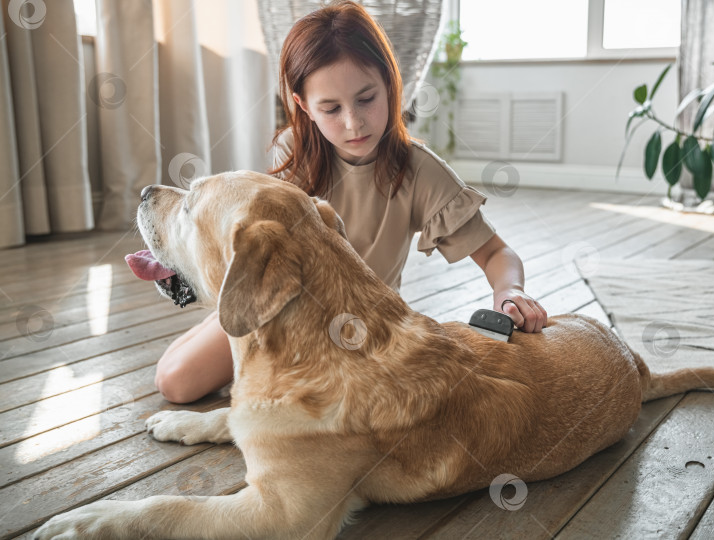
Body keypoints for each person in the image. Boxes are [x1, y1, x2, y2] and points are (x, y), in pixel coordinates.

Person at [154, 0, 547, 404]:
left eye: (366, 99)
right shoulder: (293, 152)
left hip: (364, 326)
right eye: (331, 108)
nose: (353, 122)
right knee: (176, 381)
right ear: (304, 106)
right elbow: (263, 246)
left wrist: (510, 291)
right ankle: (218, 317)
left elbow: (497, 253)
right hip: (286, 307)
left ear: (391, 85)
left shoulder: (420, 171)